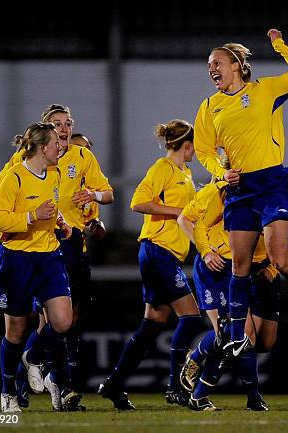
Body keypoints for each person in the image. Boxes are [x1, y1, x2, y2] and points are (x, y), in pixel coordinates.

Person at [194, 28, 288, 361]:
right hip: (240, 189)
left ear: (238, 64)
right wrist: (218, 171)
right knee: (240, 266)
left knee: (280, 261)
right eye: (209, 65)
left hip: (272, 183)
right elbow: (203, 148)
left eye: (217, 63)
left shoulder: (266, 90)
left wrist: (280, 46)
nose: (212, 69)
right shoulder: (210, 107)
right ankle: (238, 335)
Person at [14, 105, 114, 411]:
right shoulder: (30, 161)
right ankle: (42, 383)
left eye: (68, 123)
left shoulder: (82, 157)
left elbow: (107, 193)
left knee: (68, 323)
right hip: (43, 245)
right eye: (58, 124)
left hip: (73, 247)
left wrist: (93, 198)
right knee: (52, 321)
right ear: (46, 132)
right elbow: (7, 189)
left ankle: (55, 384)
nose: (65, 128)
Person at [98, 119, 202, 410]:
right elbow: (138, 202)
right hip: (158, 251)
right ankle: (175, 386)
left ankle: (114, 384)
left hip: (165, 254)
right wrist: (179, 211)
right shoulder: (163, 168)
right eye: (195, 145)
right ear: (187, 145)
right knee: (191, 318)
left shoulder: (186, 172)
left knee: (153, 323)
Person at [177, 167, 284, 411]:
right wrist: (205, 251)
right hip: (221, 268)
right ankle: (247, 397)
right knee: (237, 335)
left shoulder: (275, 195)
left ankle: (199, 357)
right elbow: (193, 221)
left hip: (258, 272)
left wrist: (273, 270)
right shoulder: (219, 191)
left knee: (264, 342)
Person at [0, 122, 80, 412]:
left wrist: (61, 224)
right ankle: (8, 394)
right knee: (15, 331)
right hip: (17, 259)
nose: (61, 146)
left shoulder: (54, 174)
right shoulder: (13, 177)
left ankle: (34, 355)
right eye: (56, 142)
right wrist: (31, 215)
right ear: (43, 148)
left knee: (64, 322)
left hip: (49, 256)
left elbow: (51, 209)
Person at [70, 133, 107, 241]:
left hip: (77, 247)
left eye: (87, 149)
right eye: (78, 148)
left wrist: (96, 225)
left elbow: (89, 219)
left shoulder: (91, 186)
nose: (84, 152)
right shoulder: (55, 176)